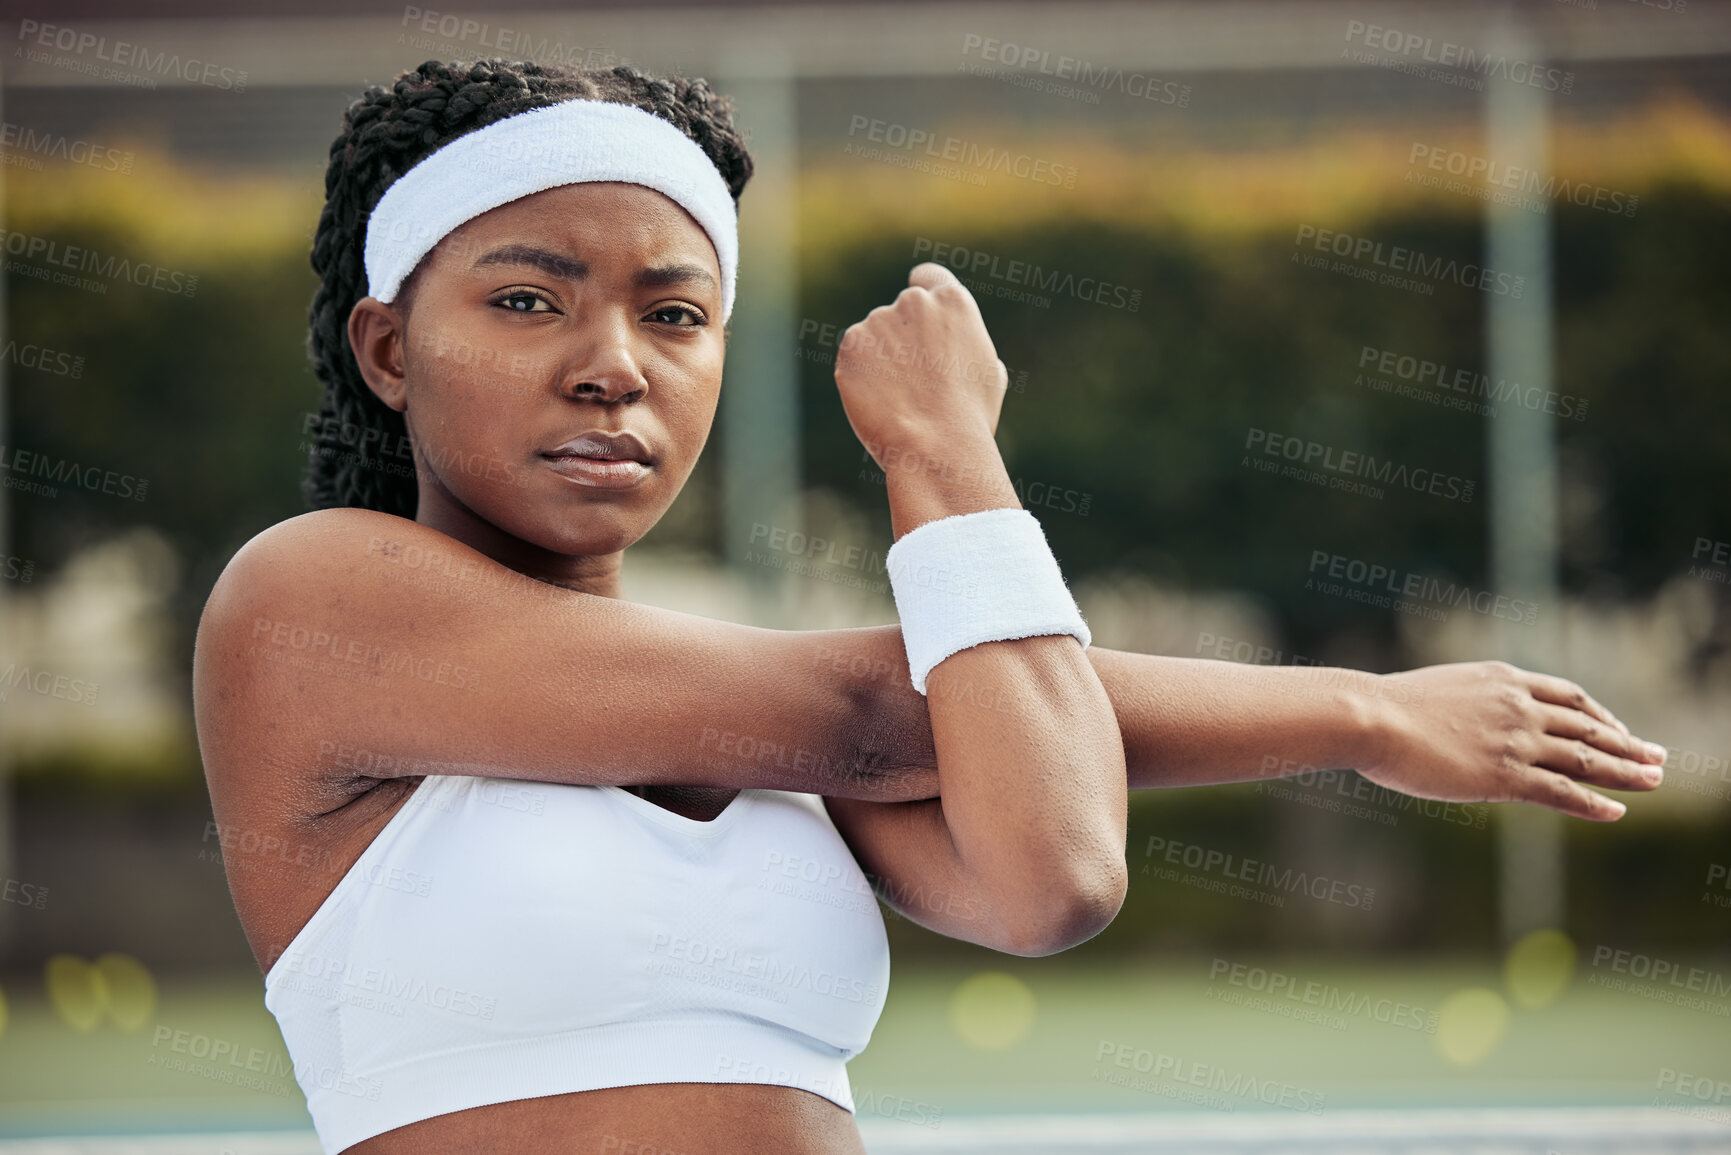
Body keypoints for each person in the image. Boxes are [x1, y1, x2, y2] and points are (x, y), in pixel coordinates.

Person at [191, 58, 1665, 1155]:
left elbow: (1051, 877)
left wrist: (1359, 717)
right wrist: (948, 453)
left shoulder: (776, 741)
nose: (612, 364)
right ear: (388, 348)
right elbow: (878, 703)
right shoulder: (311, 597)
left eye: (675, 312)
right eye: (527, 300)